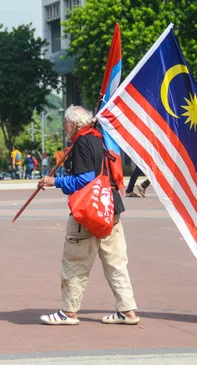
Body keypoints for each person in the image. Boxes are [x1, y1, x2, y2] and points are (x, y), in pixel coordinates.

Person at [38, 105, 138, 326]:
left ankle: (69, 313)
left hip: (89, 211)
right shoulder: (99, 139)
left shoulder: (82, 142)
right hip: (111, 206)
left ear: (73, 124)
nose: (64, 129)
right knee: (115, 262)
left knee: (75, 261)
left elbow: (86, 179)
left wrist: (55, 182)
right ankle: (127, 310)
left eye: (65, 124)